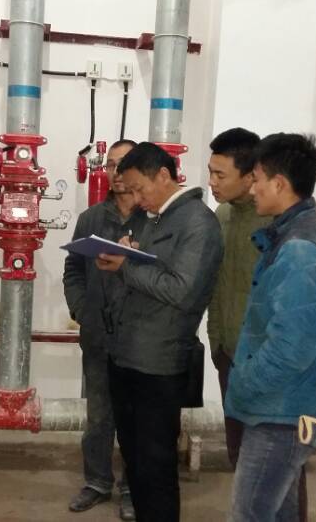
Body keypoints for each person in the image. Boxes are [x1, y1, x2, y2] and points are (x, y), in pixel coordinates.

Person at [96, 142, 223, 522]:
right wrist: (126, 250)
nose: (136, 198)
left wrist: (126, 266)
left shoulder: (198, 223)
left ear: (164, 176)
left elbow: (182, 290)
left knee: (156, 465)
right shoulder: (146, 218)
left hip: (158, 363)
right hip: (125, 355)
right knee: (134, 459)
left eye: (140, 188)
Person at [225, 133, 316, 521]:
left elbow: (293, 347)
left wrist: (245, 382)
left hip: (279, 413)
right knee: (280, 513)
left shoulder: (300, 248)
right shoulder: (293, 234)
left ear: (279, 184)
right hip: (283, 407)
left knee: (250, 512)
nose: (251, 189)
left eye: (257, 179)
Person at [63, 139, 143, 520]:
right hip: (98, 335)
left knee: (135, 417)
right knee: (98, 415)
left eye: (124, 164)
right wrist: (82, 310)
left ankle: (132, 488)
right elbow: (73, 271)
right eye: (111, 165)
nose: (116, 172)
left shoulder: (153, 219)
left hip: (140, 339)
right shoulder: (91, 219)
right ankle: (97, 481)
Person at [206, 127, 269, 468]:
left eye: (221, 175)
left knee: (271, 463)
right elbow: (218, 283)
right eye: (210, 173)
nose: (212, 183)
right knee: (240, 456)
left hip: (262, 360)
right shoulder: (223, 216)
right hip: (228, 354)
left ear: (249, 177)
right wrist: (217, 341)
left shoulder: (274, 222)